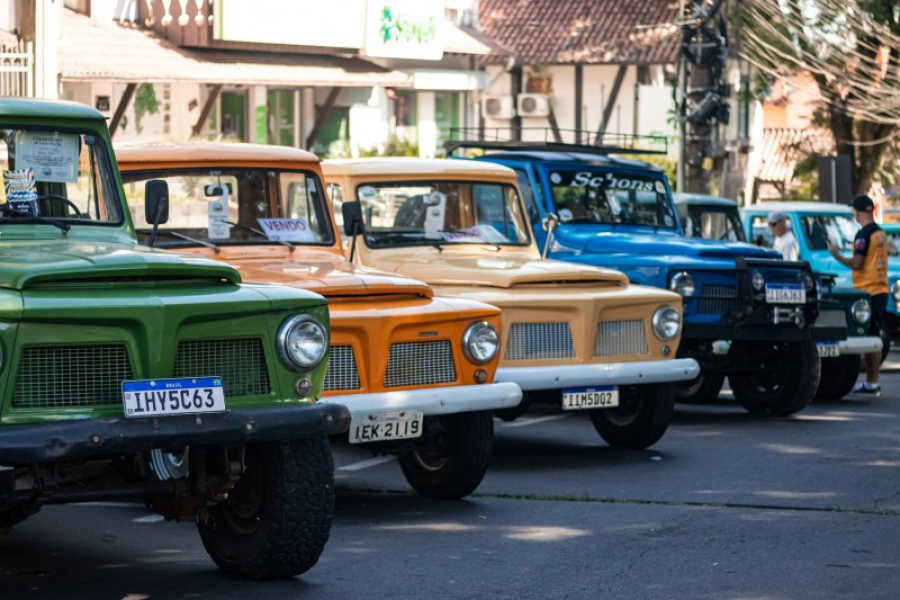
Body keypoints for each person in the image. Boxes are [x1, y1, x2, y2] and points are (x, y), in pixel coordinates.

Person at [827, 194, 889, 396]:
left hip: (867, 291)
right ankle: (872, 382)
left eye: (854, 210)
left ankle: (871, 382)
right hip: (881, 289)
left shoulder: (863, 235)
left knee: (867, 336)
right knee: (874, 336)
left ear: (858, 212)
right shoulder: (880, 233)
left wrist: (836, 255)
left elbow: (857, 263)